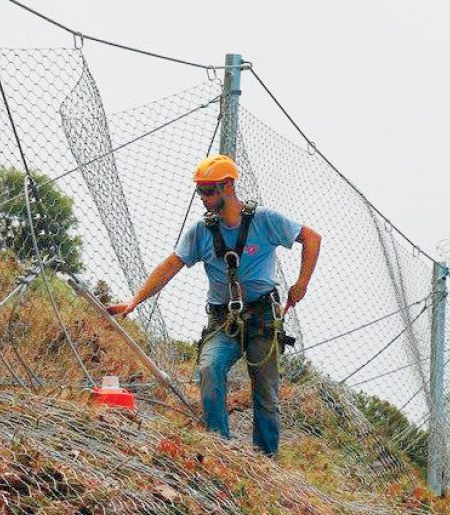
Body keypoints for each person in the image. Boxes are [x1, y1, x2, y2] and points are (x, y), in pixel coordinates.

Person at [108, 154, 321, 457]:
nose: (204, 197)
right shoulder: (201, 231)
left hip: (262, 315)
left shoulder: (265, 220)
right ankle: (221, 450)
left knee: (266, 393)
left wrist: (301, 283)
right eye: (200, 191)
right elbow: (171, 266)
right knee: (209, 368)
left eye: (209, 190)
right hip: (224, 319)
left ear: (229, 186)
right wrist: (135, 301)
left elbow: (311, 238)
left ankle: (265, 462)